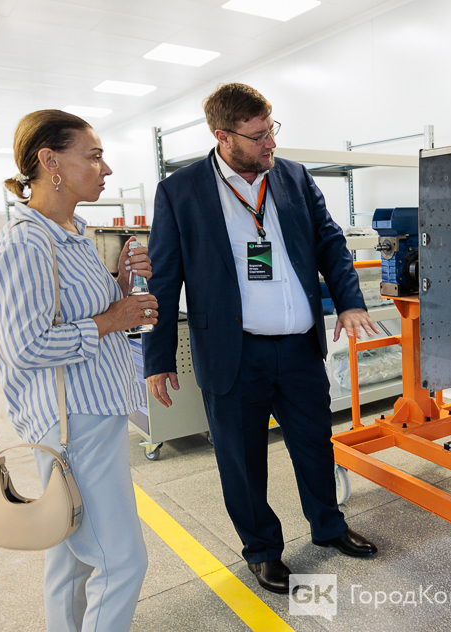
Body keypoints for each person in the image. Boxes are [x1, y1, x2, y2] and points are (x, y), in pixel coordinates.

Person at [142, 83, 380, 595]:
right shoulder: (181, 190)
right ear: (223, 136)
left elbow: (330, 242)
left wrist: (350, 301)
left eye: (271, 129)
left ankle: (328, 526)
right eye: (257, 136)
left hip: (298, 348)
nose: (270, 142)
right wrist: (157, 357)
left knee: (314, 445)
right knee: (242, 459)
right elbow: (163, 279)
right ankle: (262, 551)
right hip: (233, 353)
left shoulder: (293, 176)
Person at [0, 110, 156, 632]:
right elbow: (25, 346)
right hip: (72, 421)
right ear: (50, 161)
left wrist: (120, 287)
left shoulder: (70, 231)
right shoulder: (27, 242)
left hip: (90, 411)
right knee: (122, 561)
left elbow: (74, 313)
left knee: (72, 555)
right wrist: (113, 318)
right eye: (94, 156)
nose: (106, 168)